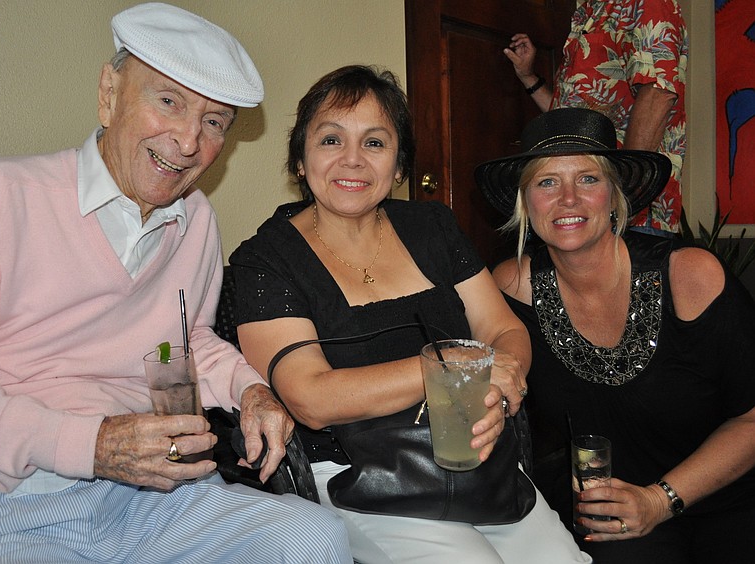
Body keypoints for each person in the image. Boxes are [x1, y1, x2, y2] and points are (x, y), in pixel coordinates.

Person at [0, 4, 351, 562]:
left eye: (214, 122)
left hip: (150, 498)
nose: (189, 141)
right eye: (168, 101)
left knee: (313, 538)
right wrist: (91, 447)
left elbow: (180, 346)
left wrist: (248, 388)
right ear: (110, 93)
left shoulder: (197, 220)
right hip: (4, 505)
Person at [229, 65, 590, 564]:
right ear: (299, 159)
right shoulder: (265, 260)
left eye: (375, 143)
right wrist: (448, 370)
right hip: (359, 481)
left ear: (399, 164)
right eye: (331, 140)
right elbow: (311, 398)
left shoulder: (433, 226)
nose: (352, 160)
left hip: (476, 462)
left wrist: (502, 382)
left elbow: (502, 329)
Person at [476, 106, 755, 563]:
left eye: (587, 179)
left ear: (614, 195)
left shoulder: (688, 276)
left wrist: (659, 500)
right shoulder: (511, 287)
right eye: (547, 182)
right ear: (526, 202)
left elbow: (751, 418)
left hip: (727, 499)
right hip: (614, 512)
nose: (568, 199)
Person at [503, 0, 687, 236]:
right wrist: (529, 78)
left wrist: (624, 193)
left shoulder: (645, 3)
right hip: (589, 208)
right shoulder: (589, 11)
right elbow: (572, 123)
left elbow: (657, 92)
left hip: (630, 216)